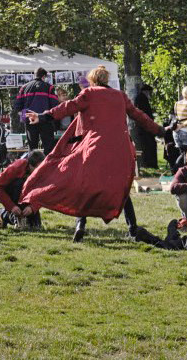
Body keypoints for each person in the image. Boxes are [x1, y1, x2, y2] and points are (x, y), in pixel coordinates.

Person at [21, 66, 161, 243]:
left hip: (94, 148)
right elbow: (139, 116)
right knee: (122, 187)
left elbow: (66, 108)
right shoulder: (120, 96)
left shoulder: (89, 94)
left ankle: (81, 224)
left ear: (92, 80)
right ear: (106, 80)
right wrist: (160, 131)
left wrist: (42, 116)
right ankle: (132, 227)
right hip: (120, 149)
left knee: (84, 186)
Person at [0, 150, 45, 230]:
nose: (39, 171)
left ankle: (20, 216)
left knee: (35, 226)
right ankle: (4, 215)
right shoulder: (16, 167)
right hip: (10, 193)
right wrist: (11, 206)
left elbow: (43, 192)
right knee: (19, 183)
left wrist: (33, 207)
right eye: (37, 168)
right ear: (30, 165)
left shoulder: (43, 172)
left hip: (27, 196)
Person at [14, 68, 60, 153]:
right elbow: (55, 106)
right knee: (49, 148)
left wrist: (25, 120)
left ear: (34, 75)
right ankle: (48, 166)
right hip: (45, 121)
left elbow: (17, 107)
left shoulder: (24, 87)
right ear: (44, 76)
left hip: (30, 121)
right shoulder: (49, 87)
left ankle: (33, 166)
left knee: (32, 149)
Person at [168, 86, 187, 170]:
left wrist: (178, 125)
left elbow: (176, 116)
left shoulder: (177, 103)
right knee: (186, 153)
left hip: (176, 131)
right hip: (186, 131)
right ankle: (175, 168)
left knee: (182, 152)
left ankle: (180, 171)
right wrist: (182, 125)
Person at [132, 83, 159, 169]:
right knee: (149, 145)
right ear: (146, 92)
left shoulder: (141, 98)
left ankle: (150, 164)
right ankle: (150, 164)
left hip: (144, 127)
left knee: (149, 145)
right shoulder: (142, 99)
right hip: (145, 127)